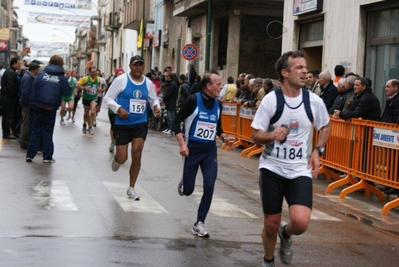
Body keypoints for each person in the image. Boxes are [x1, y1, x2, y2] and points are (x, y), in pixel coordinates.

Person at [251, 51, 331, 267]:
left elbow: (325, 126)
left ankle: (285, 235)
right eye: (299, 67)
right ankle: (268, 261)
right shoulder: (271, 100)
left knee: (301, 223)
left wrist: (317, 151)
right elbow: (255, 135)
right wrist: (272, 135)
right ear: (284, 73)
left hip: (299, 169)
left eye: (306, 68)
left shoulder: (314, 101)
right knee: (270, 224)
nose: (305, 71)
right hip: (272, 168)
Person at [173, 70, 235, 238]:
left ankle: (199, 222)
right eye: (218, 84)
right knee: (188, 191)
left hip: (209, 151)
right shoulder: (193, 100)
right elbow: (176, 121)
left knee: (209, 185)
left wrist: (223, 137)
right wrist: (182, 144)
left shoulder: (218, 104)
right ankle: (184, 183)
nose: (221, 87)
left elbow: (218, 127)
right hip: (192, 150)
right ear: (209, 86)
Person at [104, 55, 161, 200]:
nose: (138, 68)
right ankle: (117, 159)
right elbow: (108, 98)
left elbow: (154, 98)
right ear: (130, 66)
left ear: (143, 67)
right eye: (135, 65)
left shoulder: (148, 83)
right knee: (123, 158)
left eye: (140, 65)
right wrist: (118, 109)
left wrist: (156, 107)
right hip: (123, 124)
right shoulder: (121, 80)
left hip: (140, 123)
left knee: (137, 153)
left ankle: (131, 187)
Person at [26, 55, 70, 163]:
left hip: (38, 105)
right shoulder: (61, 78)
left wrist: (32, 103)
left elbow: (34, 87)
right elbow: (66, 93)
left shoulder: (41, 74)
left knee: (35, 130)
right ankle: (47, 157)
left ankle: (30, 155)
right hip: (51, 107)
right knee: (47, 131)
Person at [380, 79, 399, 195]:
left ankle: (395, 185)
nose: (386, 89)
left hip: (394, 133)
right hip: (389, 133)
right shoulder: (391, 99)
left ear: (396, 87)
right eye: (385, 87)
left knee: (395, 161)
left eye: (388, 87)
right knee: (391, 160)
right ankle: (390, 183)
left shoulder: (397, 100)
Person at [19, 61, 43, 149]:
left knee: (28, 123)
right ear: (35, 70)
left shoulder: (29, 77)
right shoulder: (28, 78)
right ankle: (24, 142)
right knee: (26, 123)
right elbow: (25, 92)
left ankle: (26, 141)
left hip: (28, 103)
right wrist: (29, 103)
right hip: (27, 104)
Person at [1, 57, 21, 139]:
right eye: (19, 63)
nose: (20, 65)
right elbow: (11, 87)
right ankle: (6, 133)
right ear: (14, 63)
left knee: (7, 115)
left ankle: (7, 132)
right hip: (8, 98)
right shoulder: (11, 73)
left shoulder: (11, 71)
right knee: (7, 116)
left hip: (7, 97)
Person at [77, 66, 100, 135]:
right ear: (89, 72)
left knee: (93, 112)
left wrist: (98, 89)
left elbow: (98, 85)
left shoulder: (98, 79)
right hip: (86, 98)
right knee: (86, 114)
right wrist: (84, 88)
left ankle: (90, 127)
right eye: (93, 72)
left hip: (94, 98)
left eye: (95, 72)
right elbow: (77, 85)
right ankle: (84, 124)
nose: (94, 73)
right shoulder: (85, 79)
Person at [106, 68, 125, 153]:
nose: (120, 75)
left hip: (123, 109)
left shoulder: (126, 84)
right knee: (113, 127)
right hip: (113, 109)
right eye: (119, 74)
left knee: (121, 127)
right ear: (116, 75)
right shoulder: (111, 84)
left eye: (122, 73)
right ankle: (113, 141)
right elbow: (107, 97)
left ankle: (120, 143)